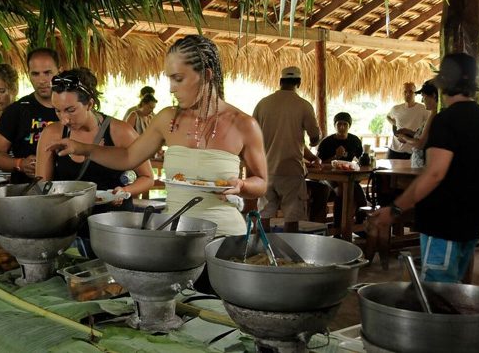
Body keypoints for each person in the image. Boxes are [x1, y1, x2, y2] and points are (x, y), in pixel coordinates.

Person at [46, 35, 267, 236]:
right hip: (174, 234)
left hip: (225, 235)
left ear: (207, 75)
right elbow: (128, 157)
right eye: (169, 79)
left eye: (178, 79)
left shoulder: (244, 124)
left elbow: (262, 183)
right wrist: (81, 148)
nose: (171, 88)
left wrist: (243, 186)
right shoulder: (167, 119)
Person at [370, 53, 479, 283]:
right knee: (454, 286)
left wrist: (395, 209)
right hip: (475, 217)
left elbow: (435, 173)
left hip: (446, 220)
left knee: (438, 290)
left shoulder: (445, 120)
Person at [36, 68, 154, 210]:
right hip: (70, 218)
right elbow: (42, 187)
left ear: (90, 104)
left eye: (70, 110)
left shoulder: (121, 132)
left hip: (112, 220)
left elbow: (147, 178)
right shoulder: (52, 134)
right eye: (57, 110)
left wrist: (125, 192)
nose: (64, 120)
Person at [253, 66, 321, 233]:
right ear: (299, 82)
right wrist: (314, 143)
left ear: (280, 81)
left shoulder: (263, 104)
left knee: (264, 215)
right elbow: (314, 137)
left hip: (266, 170)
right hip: (292, 171)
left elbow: (252, 134)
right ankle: (289, 258)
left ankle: (260, 254)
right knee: (292, 217)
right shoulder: (303, 106)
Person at [0, 49, 62, 184]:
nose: (42, 80)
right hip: (26, 192)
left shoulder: (72, 108)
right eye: (35, 74)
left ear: (59, 71)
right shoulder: (17, 110)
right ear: (28, 74)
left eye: (47, 73)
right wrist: (20, 163)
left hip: (69, 190)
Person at [394, 80, 439, 168]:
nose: (422, 100)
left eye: (423, 96)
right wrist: (408, 131)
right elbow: (426, 137)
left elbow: (420, 143)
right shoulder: (433, 114)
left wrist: (405, 138)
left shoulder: (434, 116)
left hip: (422, 166)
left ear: (433, 96)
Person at [385, 82, 430, 160]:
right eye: (405, 92)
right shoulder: (396, 109)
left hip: (412, 152)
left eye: (410, 92)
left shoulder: (423, 109)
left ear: (415, 94)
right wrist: (393, 123)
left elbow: (428, 127)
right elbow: (388, 116)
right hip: (395, 150)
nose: (407, 94)